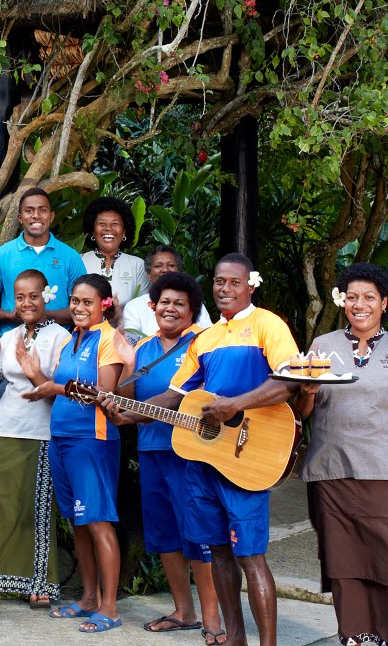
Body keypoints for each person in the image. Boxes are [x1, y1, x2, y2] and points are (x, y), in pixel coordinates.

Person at [201, 262, 388, 646]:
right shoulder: (323, 346)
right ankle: (357, 639)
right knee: (344, 567)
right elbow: (304, 414)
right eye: (352, 297)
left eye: (369, 298)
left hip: (386, 476)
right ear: (343, 301)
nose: (359, 305)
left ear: (384, 302)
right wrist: (307, 392)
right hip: (329, 475)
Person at [163, 253, 300, 646]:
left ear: (250, 286)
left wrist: (236, 404)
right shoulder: (204, 338)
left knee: (250, 557)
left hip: (247, 458)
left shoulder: (266, 324)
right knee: (219, 554)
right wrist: (125, 407)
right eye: (220, 282)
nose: (225, 289)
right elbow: (175, 395)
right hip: (205, 463)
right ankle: (235, 640)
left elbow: (290, 382)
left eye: (234, 282)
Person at [101, 272, 222, 635]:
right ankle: (184, 611)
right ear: (153, 306)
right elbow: (130, 406)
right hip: (152, 450)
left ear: (192, 311)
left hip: (194, 453)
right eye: (164, 302)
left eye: (179, 304)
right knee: (165, 535)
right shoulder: (141, 352)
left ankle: (213, 619)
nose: (170, 308)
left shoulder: (202, 344)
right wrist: (115, 411)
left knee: (198, 534)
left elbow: (211, 396)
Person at [0, 269, 66, 609]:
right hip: (1, 428)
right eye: (20, 297)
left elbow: (60, 395)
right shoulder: (9, 334)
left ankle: (40, 583)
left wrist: (34, 372)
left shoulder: (61, 337)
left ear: (46, 296)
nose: (27, 302)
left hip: (40, 432)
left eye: (34, 296)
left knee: (33, 508)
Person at [21, 273, 125, 634]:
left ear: (105, 305)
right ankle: (89, 598)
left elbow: (103, 393)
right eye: (75, 301)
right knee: (79, 521)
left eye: (87, 302)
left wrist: (54, 385)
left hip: (92, 441)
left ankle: (109, 607)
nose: (79, 308)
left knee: (97, 521)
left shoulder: (110, 340)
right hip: (62, 438)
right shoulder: (72, 340)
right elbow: (58, 392)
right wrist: (37, 377)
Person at [0, 187, 87, 334]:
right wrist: (10, 316)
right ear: (20, 218)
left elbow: (82, 306)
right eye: (29, 211)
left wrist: (41, 316)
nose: (36, 215)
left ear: (52, 216)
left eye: (42, 210)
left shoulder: (70, 257)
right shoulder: (1, 255)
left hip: (59, 346)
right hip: (12, 345)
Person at [122, 246, 213, 338]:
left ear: (178, 271)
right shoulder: (134, 306)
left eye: (171, 265)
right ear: (149, 274)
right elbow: (131, 344)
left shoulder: (193, 302)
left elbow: (208, 337)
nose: (165, 270)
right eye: (158, 266)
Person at [80, 197, 147, 313]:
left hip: (125, 330)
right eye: (102, 224)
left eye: (115, 224)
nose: (108, 229)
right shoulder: (79, 260)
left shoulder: (138, 265)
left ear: (124, 231)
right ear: (92, 230)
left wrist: (119, 312)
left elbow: (144, 307)